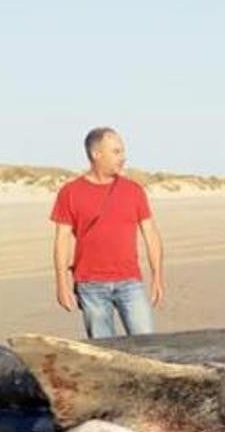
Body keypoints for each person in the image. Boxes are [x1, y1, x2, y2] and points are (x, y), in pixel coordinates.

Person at [51, 127, 165, 338]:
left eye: (122, 151)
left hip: (130, 281)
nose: (123, 157)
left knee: (147, 345)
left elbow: (151, 233)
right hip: (90, 285)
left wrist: (158, 275)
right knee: (104, 350)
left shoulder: (133, 190)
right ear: (96, 154)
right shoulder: (70, 193)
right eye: (116, 152)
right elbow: (62, 239)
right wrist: (61, 283)